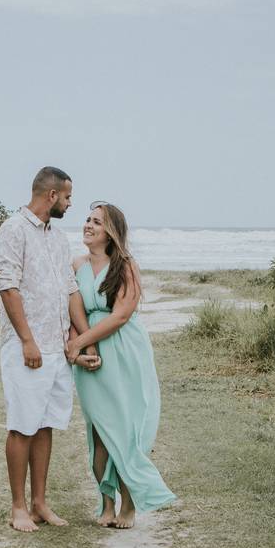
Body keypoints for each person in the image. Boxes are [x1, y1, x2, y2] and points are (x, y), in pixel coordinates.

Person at [0, 167, 101, 533]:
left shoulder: (57, 238)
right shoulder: (12, 230)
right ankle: (18, 507)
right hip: (27, 346)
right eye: (68, 197)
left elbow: (70, 291)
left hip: (57, 347)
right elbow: (9, 287)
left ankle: (39, 503)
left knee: (45, 426)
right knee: (22, 425)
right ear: (52, 195)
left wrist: (86, 339)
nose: (71, 204)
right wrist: (27, 340)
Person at [67, 201, 176, 529]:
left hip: (125, 351)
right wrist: (79, 344)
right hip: (91, 353)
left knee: (128, 429)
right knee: (99, 432)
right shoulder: (75, 265)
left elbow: (121, 315)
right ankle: (106, 503)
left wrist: (79, 341)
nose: (88, 225)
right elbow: (72, 311)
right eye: (87, 219)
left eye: (96, 222)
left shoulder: (126, 266)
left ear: (111, 232)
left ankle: (129, 503)